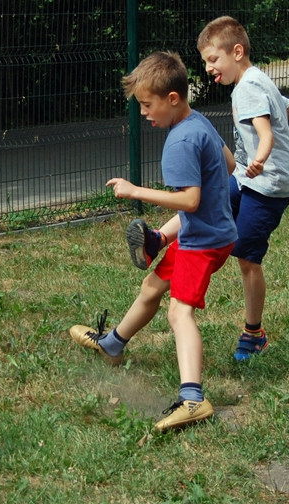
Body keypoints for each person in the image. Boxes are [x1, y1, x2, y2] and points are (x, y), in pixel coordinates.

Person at [126, 16, 289, 362]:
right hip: (250, 177)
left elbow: (266, 135)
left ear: (237, 52)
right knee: (211, 199)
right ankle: (158, 239)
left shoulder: (249, 88)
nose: (209, 69)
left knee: (247, 258)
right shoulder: (259, 80)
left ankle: (254, 334)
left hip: (266, 188)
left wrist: (260, 160)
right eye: (206, 61)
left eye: (213, 60)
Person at [69, 50, 237, 432]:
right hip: (205, 231)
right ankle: (112, 344)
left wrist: (135, 191)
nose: (143, 112)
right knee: (151, 287)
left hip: (204, 242)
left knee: (179, 313)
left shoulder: (179, 143)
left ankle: (193, 399)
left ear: (172, 98)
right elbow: (228, 167)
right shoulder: (200, 123)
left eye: (147, 104)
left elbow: (190, 200)